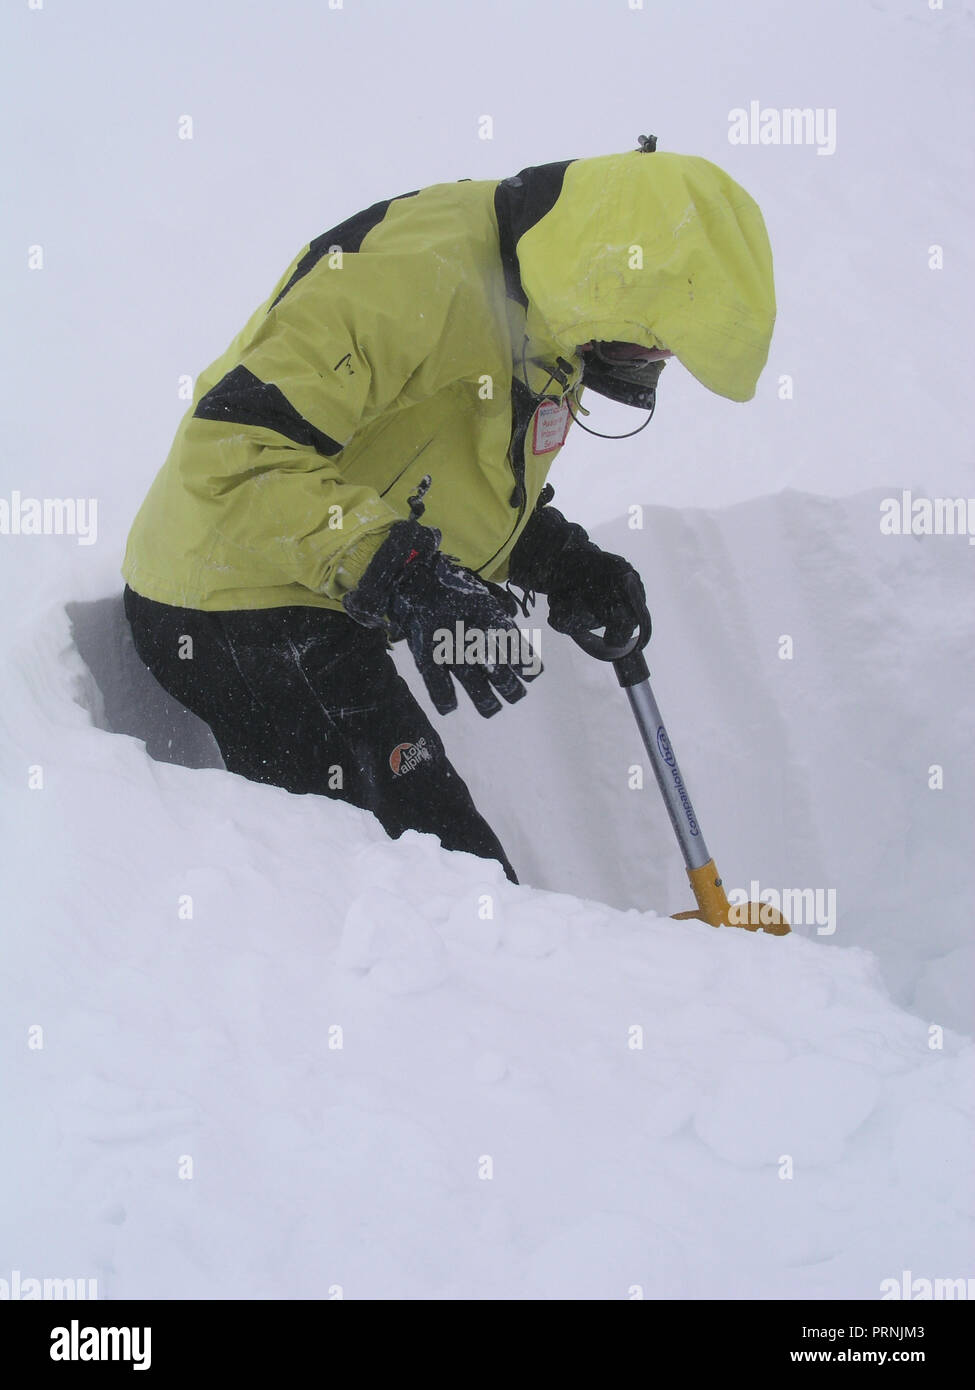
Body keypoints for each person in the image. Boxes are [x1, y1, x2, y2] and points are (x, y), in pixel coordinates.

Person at [122, 141, 775, 883]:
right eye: (646, 345)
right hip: (229, 595)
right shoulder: (408, 278)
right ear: (610, 281)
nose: (644, 366)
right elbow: (230, 453)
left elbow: (437, 470)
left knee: (443, 878)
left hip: (316, 579)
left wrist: (554, 558)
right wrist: (402, 573)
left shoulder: (553, 291)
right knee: (444, 885)